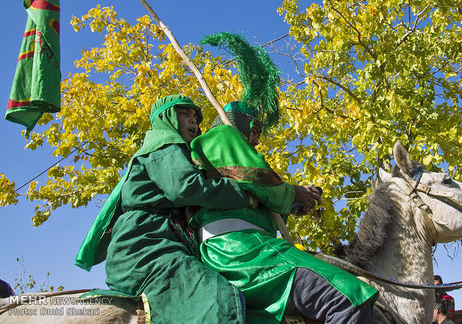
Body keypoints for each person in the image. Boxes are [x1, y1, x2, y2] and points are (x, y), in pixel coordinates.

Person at [190, 101, 378, 323]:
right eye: (255, 131)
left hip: (245, 248)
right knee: (349, 298)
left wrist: (294, 205)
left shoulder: (219, 152)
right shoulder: (223, 135)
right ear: (238, 123)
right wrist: (293, 193)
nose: (257, 140)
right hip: (241, 250)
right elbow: (259, 179)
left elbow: (256, 196)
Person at [75, 95, 252, 323]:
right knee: (216, 296)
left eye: (195, 117)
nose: (193, 121)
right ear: (166, 117)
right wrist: (244, 194)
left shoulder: (180, 153)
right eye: (185, 114)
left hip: (161, 245)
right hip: (147, 250)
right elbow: (187, 188)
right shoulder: (164, 144)